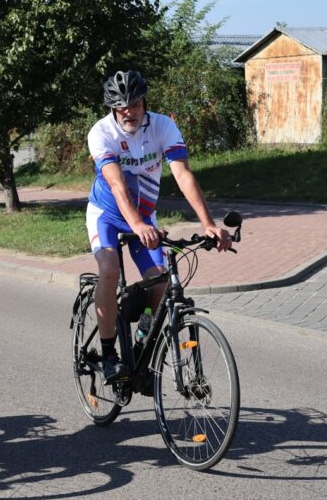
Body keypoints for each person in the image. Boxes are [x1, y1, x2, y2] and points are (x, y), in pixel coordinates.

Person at [86, 69, 231, 384]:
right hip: (108, 215)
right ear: (112, 108)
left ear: (143, 102)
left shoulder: (163, 126)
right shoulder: (102, 133)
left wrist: (208, 223)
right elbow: (115, 183)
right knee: (109, 270)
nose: (129, 111)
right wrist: (135, 223)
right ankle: (109, 354)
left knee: (161, 285)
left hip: (145, 218)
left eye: (135, 104)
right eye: (122, 106)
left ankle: (141, 343)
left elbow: (182, 174)